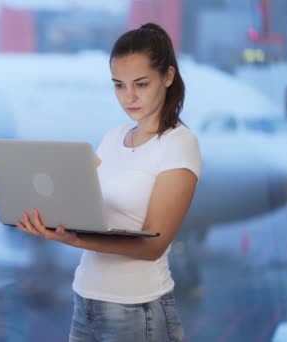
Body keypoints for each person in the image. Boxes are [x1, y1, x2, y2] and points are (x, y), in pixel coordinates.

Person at [14, 22, 201, 342]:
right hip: (86, 298)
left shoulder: (178, 144)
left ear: (168, 77)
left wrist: (72, 239)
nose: (129, 97)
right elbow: (91, 207)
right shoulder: (112, 138)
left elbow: (153, 245)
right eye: (119, 85)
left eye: (141, 84)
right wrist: (49, 215)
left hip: (138, 308)